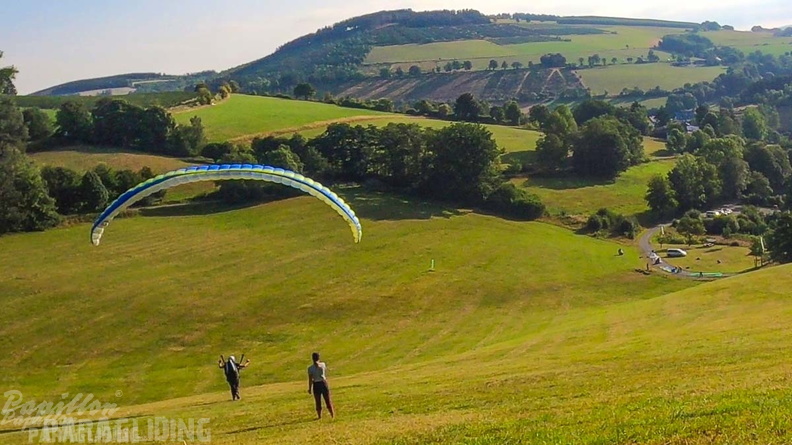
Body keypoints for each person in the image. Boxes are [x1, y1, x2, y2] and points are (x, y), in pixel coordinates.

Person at [307, 352, 334, 419]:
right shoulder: (323, 364)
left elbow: (310, 379)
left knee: (318, 401)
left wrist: (310, 388)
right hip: (323, 383)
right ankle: (332, 414)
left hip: (316, 384)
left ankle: (319, 416)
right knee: (328, 400)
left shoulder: (310, 368)